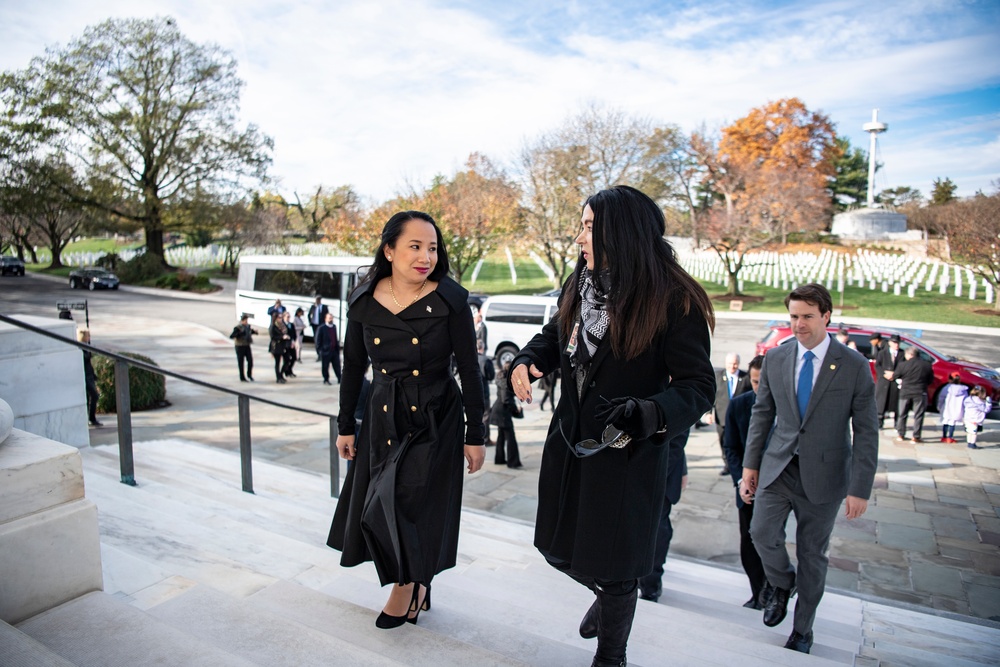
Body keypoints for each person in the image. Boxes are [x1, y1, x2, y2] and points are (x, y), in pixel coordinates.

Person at [510, 185, 715, 667]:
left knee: (620, 570)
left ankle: (611, 655)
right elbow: (555, 336)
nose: (579, 235)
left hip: (626, 453)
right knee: (556, 547)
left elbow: (697, 386)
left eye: (587, 225)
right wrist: (528, 359)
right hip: (570, 443)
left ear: (618, 231)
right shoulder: (580, 281)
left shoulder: (674, 299)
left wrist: (649, 412)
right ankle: (608, 603)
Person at [326, 210, 485, 630]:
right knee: (381, 503)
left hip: (436, 414)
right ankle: (418, 580)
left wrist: (476, 433)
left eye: (432, 247)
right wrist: (346, 424)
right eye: (414, 246)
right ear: (389, 251)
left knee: (411, 501)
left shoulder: (450, 299)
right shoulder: (363, 300)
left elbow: (470, 370)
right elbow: (352, 366)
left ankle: (406, 585)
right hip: (384, 414)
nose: (425, 256)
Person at [741, 283, 878, 655]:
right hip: (779, 466)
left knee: (812, 555)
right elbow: (762, 414)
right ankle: (782, 583)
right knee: (761, 532)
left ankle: (802, 630)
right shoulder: (776, 358)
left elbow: (866, 430)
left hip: (826, 476)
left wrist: (859, 487)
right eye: (794, 316)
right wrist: (750, 466)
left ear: (826, 317)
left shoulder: (853, 366)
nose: (799, 324)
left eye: (807, 317)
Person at [722, 355, 769, 610]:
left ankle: (773, 589)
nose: (758, 387)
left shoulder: (786, 406)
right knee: (748, 541)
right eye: (754, 382)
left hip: (776, 489)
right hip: (746, 488)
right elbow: (730, 447)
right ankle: (758, 593)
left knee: (770, 541)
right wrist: (742, 479)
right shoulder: (739, 405)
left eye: (763, 382)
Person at [637, 429, 689, 603]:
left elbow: (679, 431)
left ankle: (650, 585)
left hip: (663, 468)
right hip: (630, 466)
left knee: (658, 529)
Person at [714, 352, 751, 475]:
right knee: (723, 441)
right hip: (722, 416)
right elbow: (712, 395)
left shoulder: (746, 378)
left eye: (735, 363)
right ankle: (727, 465)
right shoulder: (718, 376)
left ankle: (739, 463)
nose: (732, 366)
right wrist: (709, 412)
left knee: (738, 441)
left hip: (740, 418)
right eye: (730, 363)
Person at [894, 346, 933, 443]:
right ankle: (916, 436)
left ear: (910, 355)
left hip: (905, 392)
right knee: (918, 415)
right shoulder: (926, 365)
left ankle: (901, 434)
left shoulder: (903, 365)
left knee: (902, 414)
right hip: (920, 392)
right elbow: (930, 380)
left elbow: (896, 375)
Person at [491, 361, 523, 468]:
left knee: (501, 435)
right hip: (503, 412)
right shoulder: (505, 382)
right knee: (510, 437)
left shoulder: (500, 378)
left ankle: (499, 459)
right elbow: (506, 399)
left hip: (499, 409)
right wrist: (515, 409)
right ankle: (513, 462)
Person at [874, 334, 904, 428]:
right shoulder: (882, 353)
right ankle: (879, 421)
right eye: (894, 343)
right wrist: (884, 374)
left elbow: (903, 366)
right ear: (890, 343)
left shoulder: (902, 354)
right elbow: (877, 365)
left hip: (895, 381)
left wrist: (894, 374)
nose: (896, 345)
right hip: (884, 381)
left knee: (895, 403)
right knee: (881, 402)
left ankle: (896, 423)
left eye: (898, 343)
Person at [78, 328, 102, 427]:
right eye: (88, 336)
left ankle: (90, 418)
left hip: (89, 375)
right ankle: (91, 418)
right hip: (85, 376)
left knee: (91, 396)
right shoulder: (80, 349)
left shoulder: (86, 347)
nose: (89, 337)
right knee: (94, 396)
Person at [937, 373, 968, 443]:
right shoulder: (963, 390)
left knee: (945, 422)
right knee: (952, 423)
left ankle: (944, 437)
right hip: (957, 409)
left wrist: (939, 406)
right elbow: (965, 401)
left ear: (950, 379)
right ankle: (950, 437)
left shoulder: (947, 388)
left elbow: (941, 398)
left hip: (947, 408)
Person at [477, 340, 495, 445]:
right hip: (484, 392)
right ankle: (485, 438)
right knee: (485, 416)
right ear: (482, 348)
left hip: (471, 393)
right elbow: (491, 376)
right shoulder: (486, 360)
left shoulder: (471, 359)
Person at [316, 312, 342, 385]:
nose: (330, 319)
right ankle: (326, 379)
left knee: (337, 366)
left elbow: (335, 338)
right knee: (325, 366)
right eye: (329, 318)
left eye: (331, 318)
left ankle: (339, 378)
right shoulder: (321, 328)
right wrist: (320, 351)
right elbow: (318, 340)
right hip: (325, 351)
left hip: (334, 351)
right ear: (325, 319)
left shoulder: (334, 326)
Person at [229, 314, 257, 382]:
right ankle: (242, 377)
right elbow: (232, 336)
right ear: (242, 321)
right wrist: (239, 334)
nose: (246, 322)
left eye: (247, 320)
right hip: (239, 346)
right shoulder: (237, 328)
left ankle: (249, 375)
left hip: (247, 345)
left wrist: (254, 332)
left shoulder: (248, 327)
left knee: (250, 361)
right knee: (241, 362)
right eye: (245, 320)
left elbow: (249, 332)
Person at [268, 312, 291, 383]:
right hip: (276, 346)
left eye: (281, 318)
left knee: (287, 360)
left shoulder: (282, 325)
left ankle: (281, 374)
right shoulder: (273, 326)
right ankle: (278, 378)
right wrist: (282, 337)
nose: (280, 319)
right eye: (279, 318)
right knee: (277, 362)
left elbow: (286, 331)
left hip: (283, 345)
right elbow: (273, 337)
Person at [281, 311, 298, 378]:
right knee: (286, 359)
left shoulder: (291, 324)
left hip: (291, 343)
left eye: (289, 317)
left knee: (294, 358)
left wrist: (293, 341)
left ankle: (289, 370)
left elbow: (294, 334)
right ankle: (285, 372)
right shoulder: (282, 325)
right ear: (284, 317)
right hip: (286, 344)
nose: (288, 318)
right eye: (287, 317)